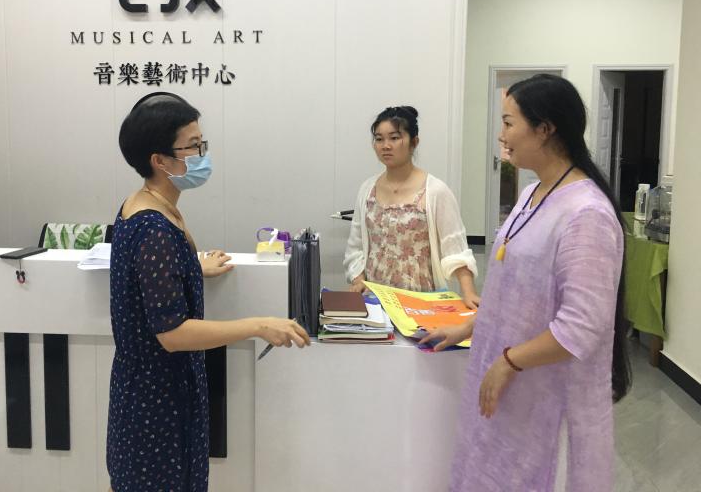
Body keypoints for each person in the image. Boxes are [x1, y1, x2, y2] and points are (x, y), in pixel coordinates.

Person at [421, 75, 631, 491]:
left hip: (547, 399)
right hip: (510, 393)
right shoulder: (532, 194)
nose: (501, 135)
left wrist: (508, 362)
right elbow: (514, 293)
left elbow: (582, 327)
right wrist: (468, 327)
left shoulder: (586, 214)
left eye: (508, 123)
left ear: (545, 128)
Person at [107, 92, 310, 492]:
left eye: (203, 144)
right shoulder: (154, 228)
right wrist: (258, 326)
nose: (202, 155)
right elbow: (172, 333)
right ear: (159, 160)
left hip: (155, 392)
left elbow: (144, 278)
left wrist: (191, 267)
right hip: (156, 406)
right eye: (193, 147)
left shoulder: (145, 205)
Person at [343, 105, 480, 307]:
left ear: (414, 142)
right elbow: (355, 247)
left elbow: (456, 249)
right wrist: (358, 279)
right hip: (376, 299)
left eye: (394, 138)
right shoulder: (367, 189)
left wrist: (469, 293)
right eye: (379, 139)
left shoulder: (435, 191)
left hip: (421, 300)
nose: (385, 145)